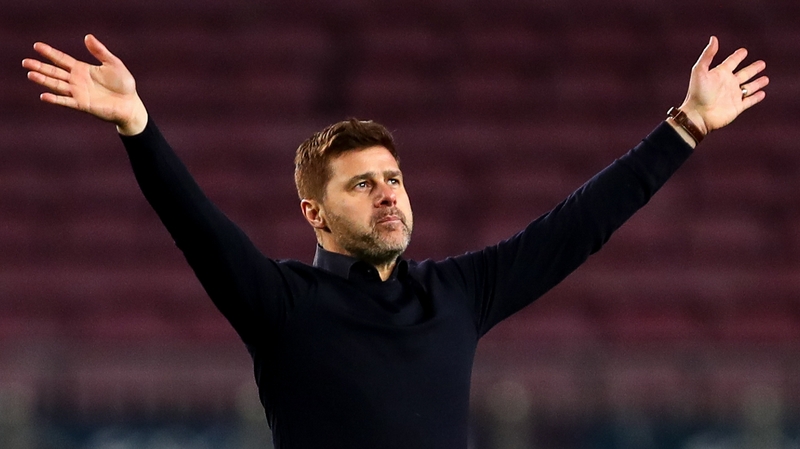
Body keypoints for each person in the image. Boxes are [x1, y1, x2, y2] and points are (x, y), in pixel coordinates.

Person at [22, 34, 767, 449]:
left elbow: (577, 227)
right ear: (314, 214)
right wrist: (137, 127)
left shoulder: (458, 294)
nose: (387, 192)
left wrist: (686, 127)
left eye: (394, 177)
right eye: (361, 183)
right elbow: (195, 224)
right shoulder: (284, 305)